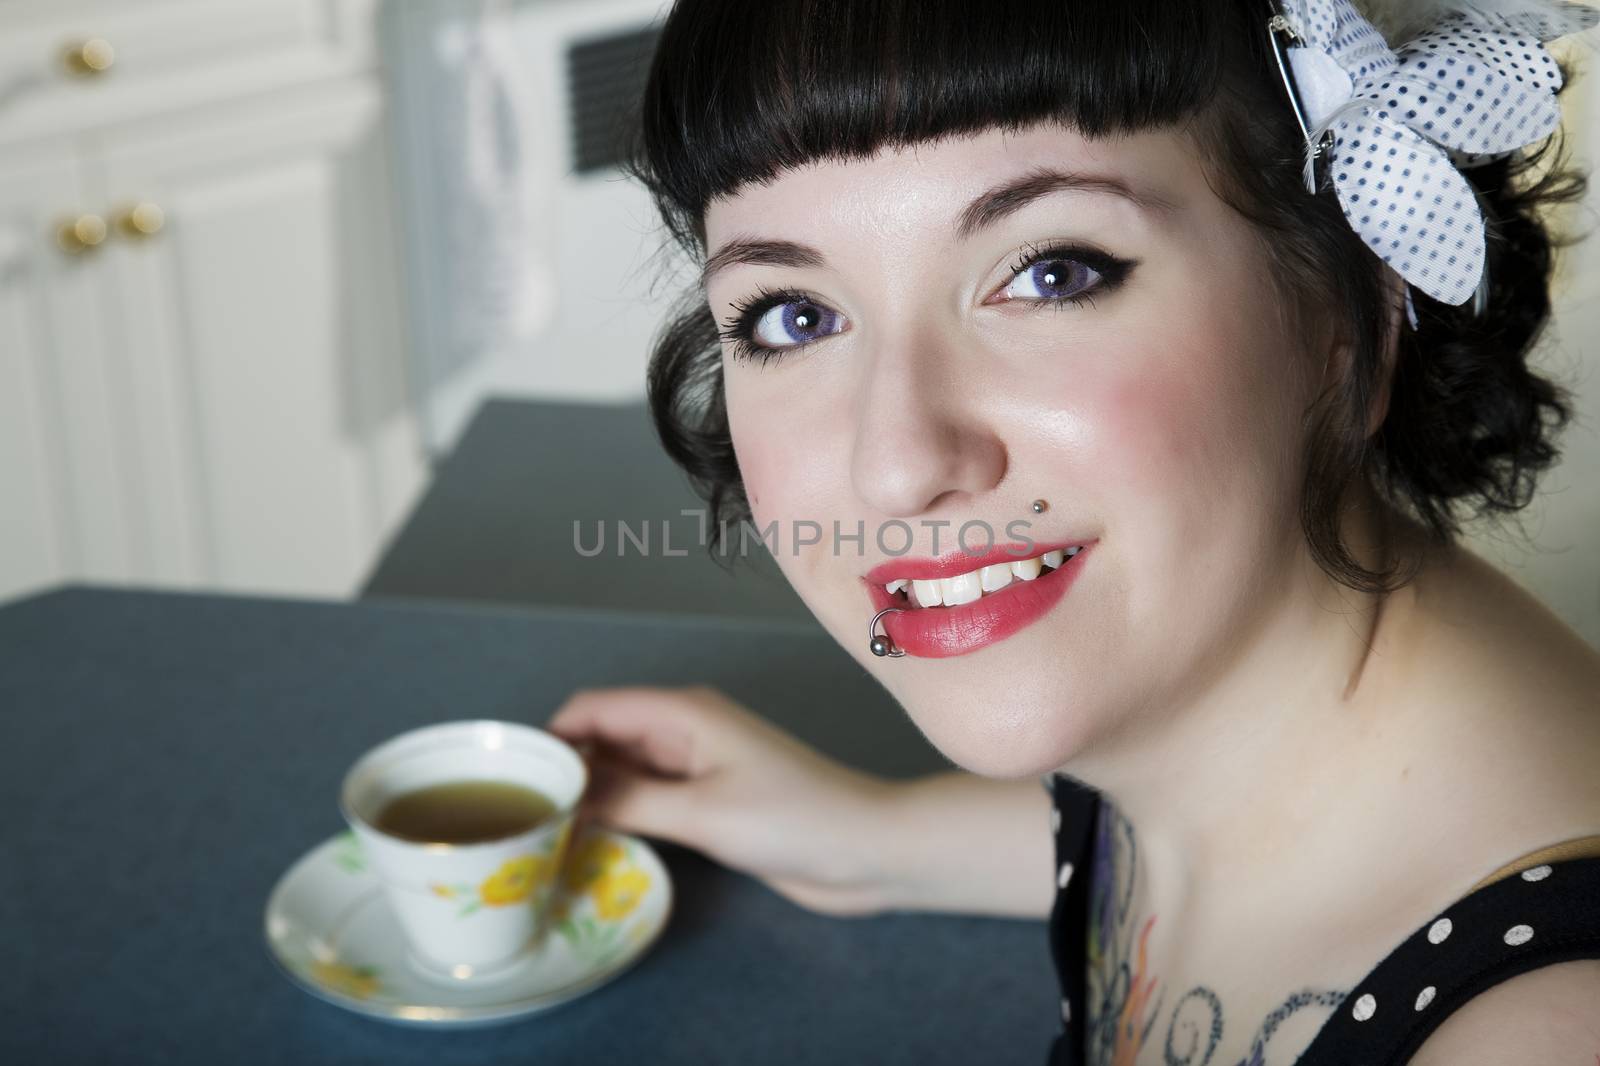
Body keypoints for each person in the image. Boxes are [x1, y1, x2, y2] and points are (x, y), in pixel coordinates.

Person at [546, 1, 1600, 1062]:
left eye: (1052, 272)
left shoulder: (1541, 1024)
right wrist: (870, 839)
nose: (899, 464)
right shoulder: (1203, 724)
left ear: (1354, 313)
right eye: (794, 315)